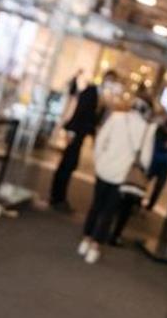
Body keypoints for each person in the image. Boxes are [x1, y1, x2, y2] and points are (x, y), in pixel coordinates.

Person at [78, 94, 153, 264]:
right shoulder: (146, 130)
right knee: (109, 211)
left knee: (96, 205)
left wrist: (100, 160)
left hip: (104, 168)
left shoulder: (116, 118)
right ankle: (95, 247)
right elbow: (146, 161)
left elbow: (100, 141)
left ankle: (85, 240)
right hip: (122, 176)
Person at [50, 70, 120, 211]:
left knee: (69, 164)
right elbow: (79, 112)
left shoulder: (102, 96)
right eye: (110, 80)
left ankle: (58, 197)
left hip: (80, 134)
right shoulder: (91, 91)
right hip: (76, 132)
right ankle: (57, 198)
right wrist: (71, 131)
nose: (110, 84)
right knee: (67, 164)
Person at [144, 110, 167, 210]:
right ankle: (138, 199)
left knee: (158, 186)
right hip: (156, 159)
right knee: (145, 181)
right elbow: (157, 144)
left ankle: (150, 205)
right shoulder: (160, 129)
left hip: (166, 163)